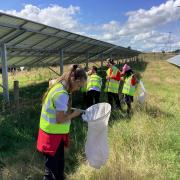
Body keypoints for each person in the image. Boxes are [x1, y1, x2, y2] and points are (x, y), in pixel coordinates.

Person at [37, 64, 87, 180]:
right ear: (74, 80)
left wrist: (67, 108)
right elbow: (59, 119)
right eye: (79, 85)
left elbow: (51, 82)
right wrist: (75, 114)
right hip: (52, 136)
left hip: (52, 134)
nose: (79, 89)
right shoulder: (62, 94)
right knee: (50, 172)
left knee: (59, 166)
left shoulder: (59, 84)